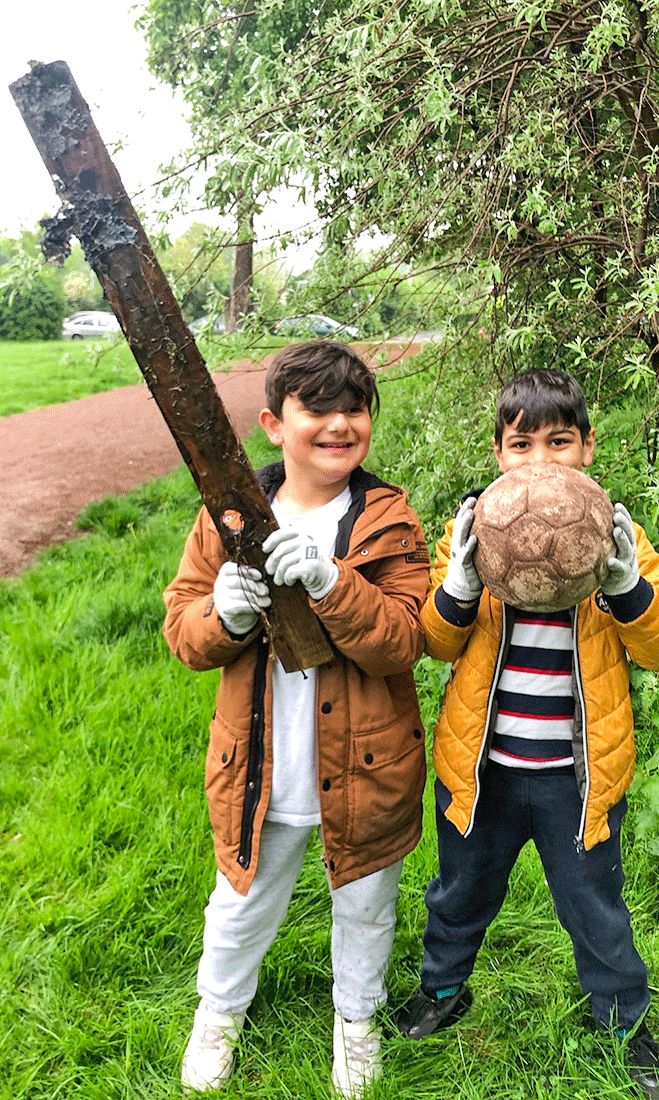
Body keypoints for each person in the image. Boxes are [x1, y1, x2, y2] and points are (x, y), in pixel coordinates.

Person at [396, 367, 659, 1100]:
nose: (540, 461)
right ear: (499, 453)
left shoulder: (619, 536)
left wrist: (626, 585)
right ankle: (443, 990)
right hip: (482, 773)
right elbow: (433, 641)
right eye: (521, 443)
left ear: (587, 447)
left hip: (577, 777)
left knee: (595, 905)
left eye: (559, 442)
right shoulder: (470, 532)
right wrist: (459, 587)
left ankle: (624, 1021)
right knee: (458, 893)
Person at [163, 341, 431, 1097]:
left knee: (368, 908)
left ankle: (356, 1020)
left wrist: (330, 580)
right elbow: (184, 633)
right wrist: (226, 614)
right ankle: (217, 1014)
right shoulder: (228, 515)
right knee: (241, 903)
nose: (340, 423)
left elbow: (405, 639)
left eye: (355, 409)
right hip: (262, 767)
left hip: (369, 764)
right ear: (274, 424)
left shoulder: (388, 519)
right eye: (318, 408)